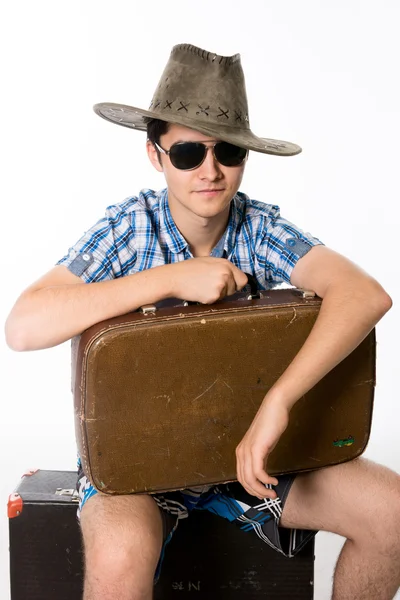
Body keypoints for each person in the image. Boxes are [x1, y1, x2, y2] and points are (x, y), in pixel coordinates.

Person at [4, 43, 399, 600]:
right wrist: (170, 279)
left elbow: (365, 294)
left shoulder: (260, 229)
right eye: (188, 153)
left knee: (393, 513)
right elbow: (23, 326)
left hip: (250, 458)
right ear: (155, 155)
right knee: (119, 557)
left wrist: (277, 404)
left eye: (228, 152)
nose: (209, 171)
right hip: (137, 466)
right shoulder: (129, 227)